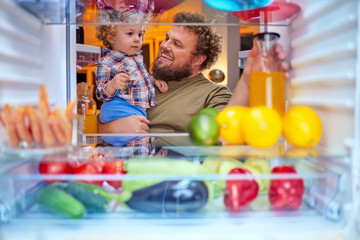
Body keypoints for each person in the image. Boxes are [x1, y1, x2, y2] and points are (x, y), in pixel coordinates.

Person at [98, 11, 289, 134]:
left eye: (177, 44)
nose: (164, 46)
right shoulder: (142, 83)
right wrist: (108, 129)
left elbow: (226, 131)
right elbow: (100, 119)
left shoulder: (213, 93)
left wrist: (247, 81)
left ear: (198, 59)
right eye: (167, 39)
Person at [95, 13, 168, 125]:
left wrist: (153, 80)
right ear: (111, 37)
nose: (137, 39)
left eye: (140, 34)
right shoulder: (106, 62)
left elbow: (142, 76)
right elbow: (100, 94)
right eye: (130, 33)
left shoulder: (137, 57)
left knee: (139, 135)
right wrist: (112, 85)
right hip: (122, 108)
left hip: (138, 109)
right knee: (135, 137)